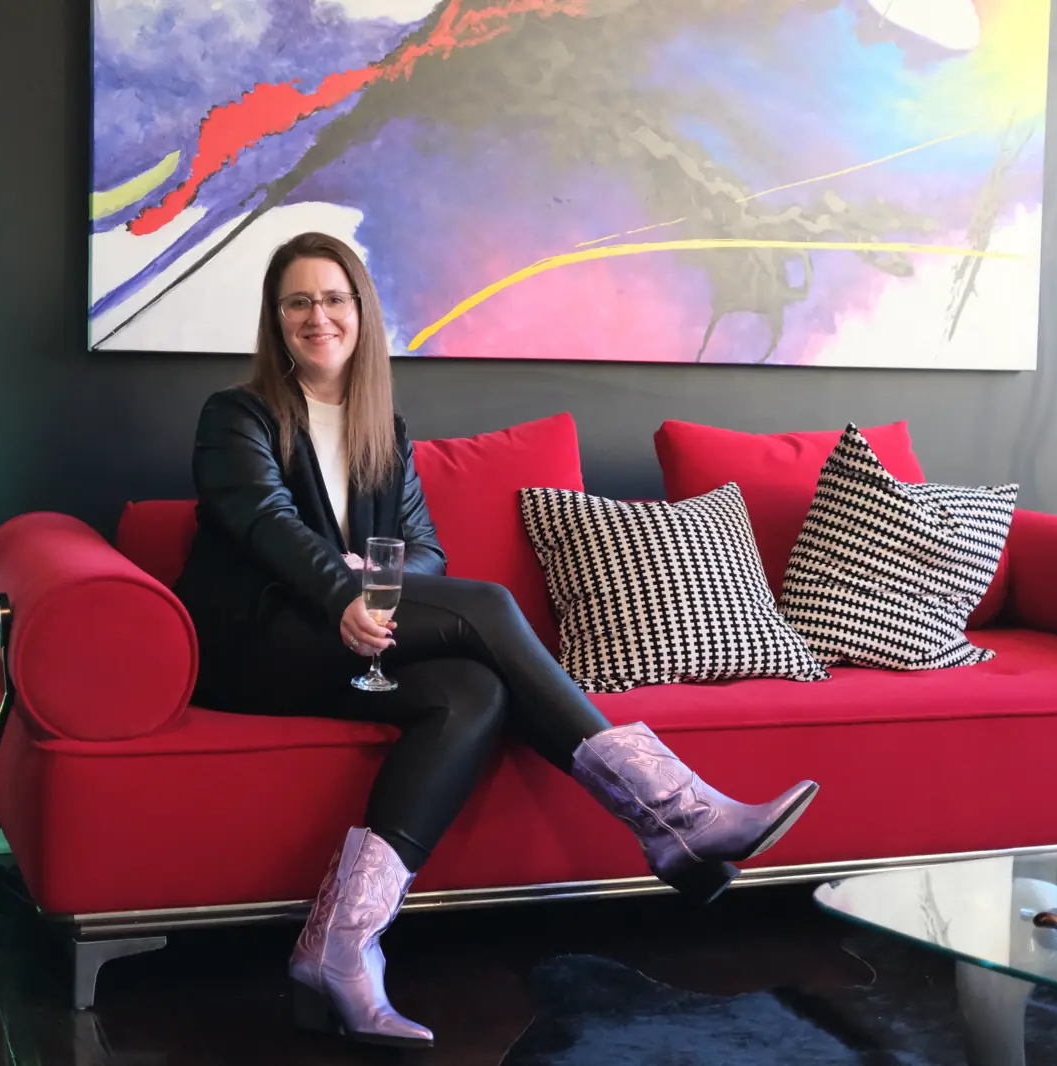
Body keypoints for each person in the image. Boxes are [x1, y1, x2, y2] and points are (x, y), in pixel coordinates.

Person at [172, 232, 819, 1050]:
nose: (317, 316)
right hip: (253, 647)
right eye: (298, 301)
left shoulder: (384, 429)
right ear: (276, 319)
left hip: (350, 641)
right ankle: (675, 813)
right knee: (487, 604)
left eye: (334, 298)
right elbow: (260, 520)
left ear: (361, 313)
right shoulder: (236, 416)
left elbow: (425, 550)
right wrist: (343, 589)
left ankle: (336, 952)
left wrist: (382, 594)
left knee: (473, 693)